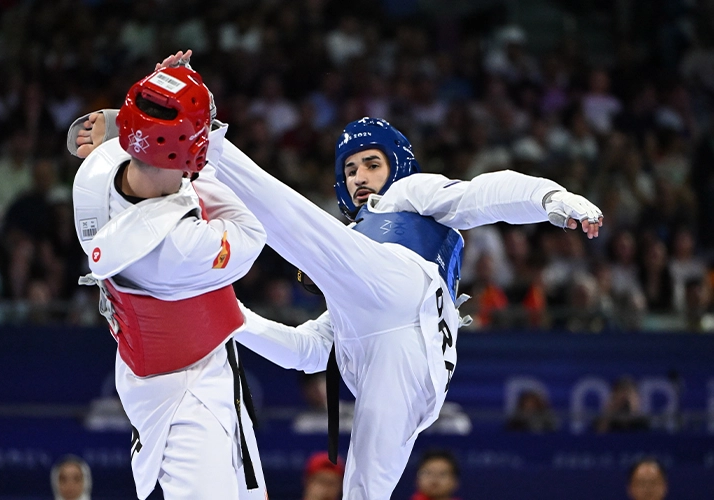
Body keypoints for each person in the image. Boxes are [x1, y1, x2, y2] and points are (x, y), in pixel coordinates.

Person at [71, 50, 603, 499]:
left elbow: (484, 194)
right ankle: (175, 136)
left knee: (296, 225)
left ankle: (186, 133)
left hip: (406, 296)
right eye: (350, 170)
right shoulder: (348, 264)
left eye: (371, 164)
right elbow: (306, 351)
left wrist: (550, 198)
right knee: (363, 492)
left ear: (396, 166)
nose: (361, 178)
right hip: (392, 367)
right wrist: (227, 319)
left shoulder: (409, 196)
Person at [69, 65, 268, 498]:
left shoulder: (96, 173)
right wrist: (207, 149)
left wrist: (161, 110)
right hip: (184, 392)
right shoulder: (176, 247)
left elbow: (138, 146)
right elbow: (253, 234)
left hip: (184, 359)